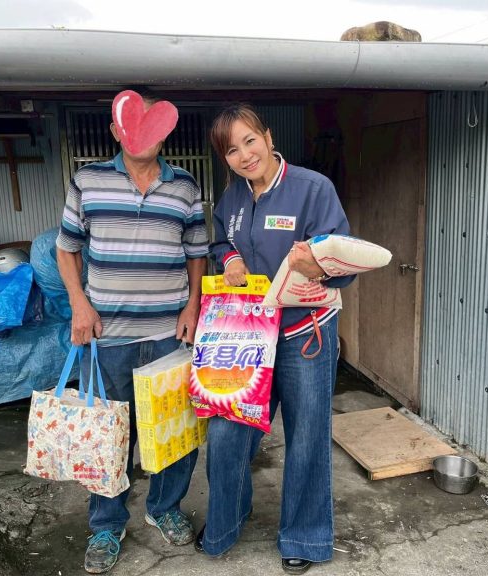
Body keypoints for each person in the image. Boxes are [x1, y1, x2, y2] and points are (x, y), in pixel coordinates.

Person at [196, 103, 354, 574]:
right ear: (224, 159)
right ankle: (225, 521)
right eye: (232, 150)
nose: (245, 155)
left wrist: (317, 265)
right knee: (226, 430)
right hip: (246, 334)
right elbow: (221, 241)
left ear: (267, 137)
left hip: (304, 333)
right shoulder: (233, 198)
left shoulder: (312, 189)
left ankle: (304, 536)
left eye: (250, 141)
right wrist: (229, 259)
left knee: (306, 435)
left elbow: (344, 263)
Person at [56, 91, 208, 574]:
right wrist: (79, 304)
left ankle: (164, 507)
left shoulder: (184, 186)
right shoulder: (88, 180)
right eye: (131, 128)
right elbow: (66, 248)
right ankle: (106, 524)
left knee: (175, 432)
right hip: (108, 335)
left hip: (168, 334)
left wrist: (193, 306)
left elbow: (196, 253)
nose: (141, 138)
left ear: (164, 134)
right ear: (115, 132)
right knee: (109, 435)